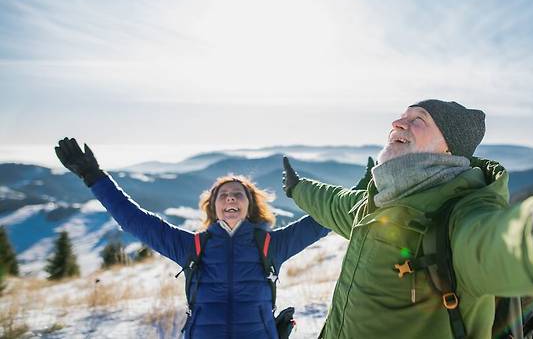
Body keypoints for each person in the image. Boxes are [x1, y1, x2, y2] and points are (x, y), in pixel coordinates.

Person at [282, 98, 533, 339]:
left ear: (449, 147)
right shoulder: (375, 204)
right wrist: (298, 188)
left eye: (418, 119)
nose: (398, 122)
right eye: (401, 115)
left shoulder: (460, 214)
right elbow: (332, 202)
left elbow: (498, 243)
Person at [55, 138, 329, 339]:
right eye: (223, 195)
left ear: (250, 206)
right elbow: (133, 219)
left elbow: (324, 220)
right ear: (213, 207)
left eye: (238, 194)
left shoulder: (272, 245)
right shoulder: (191, 247)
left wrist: (364, 193)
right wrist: (94, 177)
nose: (230, 197)